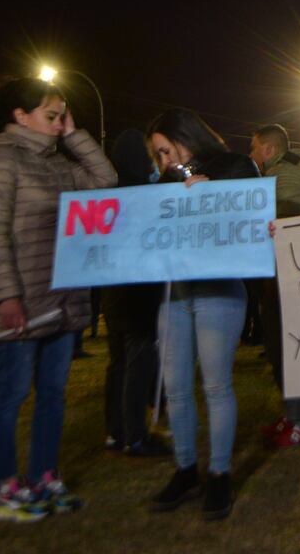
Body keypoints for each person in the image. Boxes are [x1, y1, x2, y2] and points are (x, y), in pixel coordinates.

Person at [0, 76, 117, 522]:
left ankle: (43, 476)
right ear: (20, 115)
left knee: (53, 394)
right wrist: (8, 295)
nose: (57, 125)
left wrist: (74, 133)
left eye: (61, 116)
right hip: (19, 301)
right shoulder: (1, 156)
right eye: (50, 116)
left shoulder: (58, 164)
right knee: (11, 394)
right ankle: (3, 486)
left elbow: (105, 179)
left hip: (61, 300)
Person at [146, 108, 259, 521]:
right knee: (175, 386)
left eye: (164, 150)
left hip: (219, 289)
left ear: (184, 136)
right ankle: (185, 468)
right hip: (175, 293)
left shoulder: (236, 166)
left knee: (216, 385)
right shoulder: (164, 182)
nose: (162, 161)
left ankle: (220, 473)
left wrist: (214, 195)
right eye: (156, 156)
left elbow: (253, 216)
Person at [249, 123, 300, 447]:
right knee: (281, 349)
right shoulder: (281, 174)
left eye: (254, 148)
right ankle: (292, 414)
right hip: (283, 276)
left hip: (290, 277)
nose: (251, 155)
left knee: (290, 350)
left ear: (268, 149)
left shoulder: (287, 176)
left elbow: (288, 224)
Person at [101, 129, 170, 457]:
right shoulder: (147, 195)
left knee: (118, 362)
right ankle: (135, 435)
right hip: (139, 293)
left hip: (113, 292)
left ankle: (115, 431)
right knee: (138, 362)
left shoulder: (109, 196)